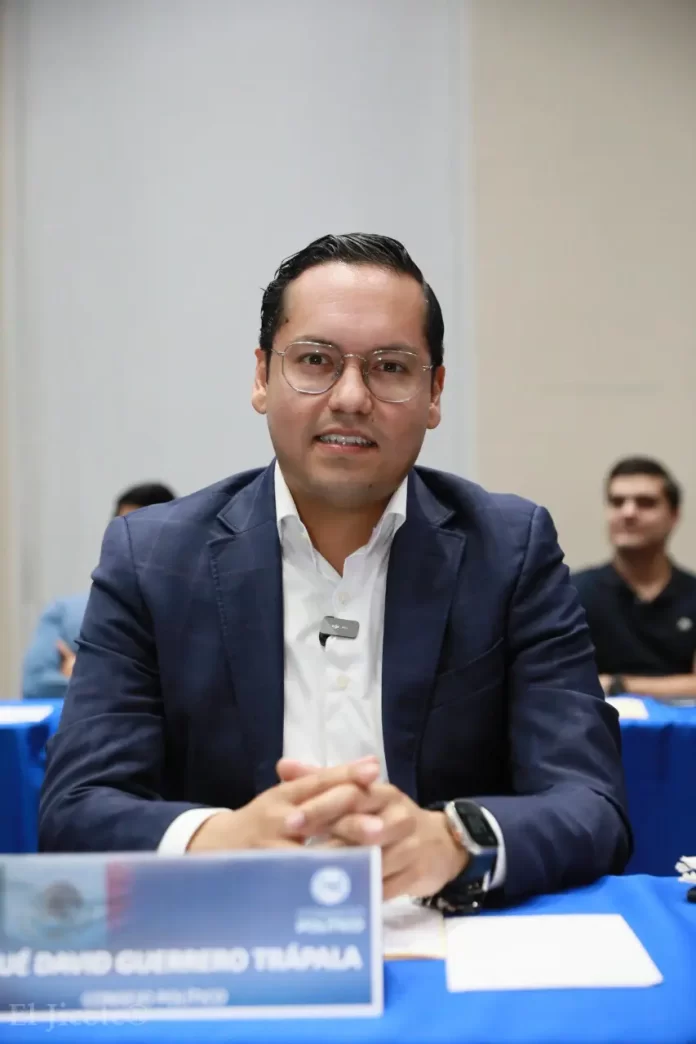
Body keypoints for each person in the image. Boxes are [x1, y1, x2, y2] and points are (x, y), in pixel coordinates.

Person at [40, 234, 629, 908]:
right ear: (262, 377)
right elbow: (76, 808)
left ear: (434, 393)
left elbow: (592, 801)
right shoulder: (153, 558)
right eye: (315, 360)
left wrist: (454, 841)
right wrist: (221, 839)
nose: (350, 397)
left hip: (444, 928)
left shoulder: (510, 550)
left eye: (390, 367)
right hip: (234, 925)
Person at [22, 482, 176, 698]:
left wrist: (84, 675)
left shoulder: (194, 613)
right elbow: (35, 687)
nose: (130, 543)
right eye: (123, 531)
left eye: (144, 535)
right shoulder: (66, 613)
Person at [573, 458, 696, 700]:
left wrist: (619, 684)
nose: (628, 513)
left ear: (674, 516)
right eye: (617, 502)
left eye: (646, 503)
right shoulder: (572, 593)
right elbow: (558, 681)